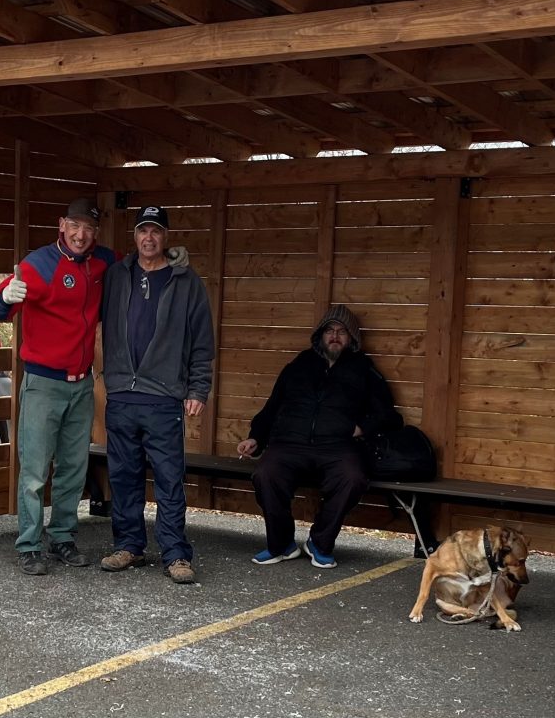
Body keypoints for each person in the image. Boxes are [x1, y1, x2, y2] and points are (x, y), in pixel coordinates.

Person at [0, 197, 113, 577]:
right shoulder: (37, 264)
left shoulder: (102, 261)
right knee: (35, 470)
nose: (80, 234)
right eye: (74, 225)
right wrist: (3, 298)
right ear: (62, 225)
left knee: (73, 469)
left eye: (88, 228)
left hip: (81, 385)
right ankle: (28, 544)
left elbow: (139, 264)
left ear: (95, 233)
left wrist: (170, 258)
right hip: (44, 383)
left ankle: (62, 537)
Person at [99, 205, 215, 584]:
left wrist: (198, 387)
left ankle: (176, 554)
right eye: (143, 231)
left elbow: (202, 340)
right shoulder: (117, 275)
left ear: (166, 237)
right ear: (134, 236)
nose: (149, 238)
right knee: (123, 476)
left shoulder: (185, 281)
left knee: (168, 478)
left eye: (156, 232)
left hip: (164, 397)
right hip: (121, 394)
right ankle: (129, 545)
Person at [236, 305, 402, 568]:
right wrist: (256, 437)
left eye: (342, 332)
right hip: (290, 443)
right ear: (320, 335)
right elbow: (273, 406)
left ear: (352, 338)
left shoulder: (364, 369)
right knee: (265, 474)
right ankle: (281, 544)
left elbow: (388, 415)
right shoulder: (299, 364)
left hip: (337, 446)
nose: (335, 336)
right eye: (330, 330)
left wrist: (360, 428)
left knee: (353, 478)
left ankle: (320, 542)